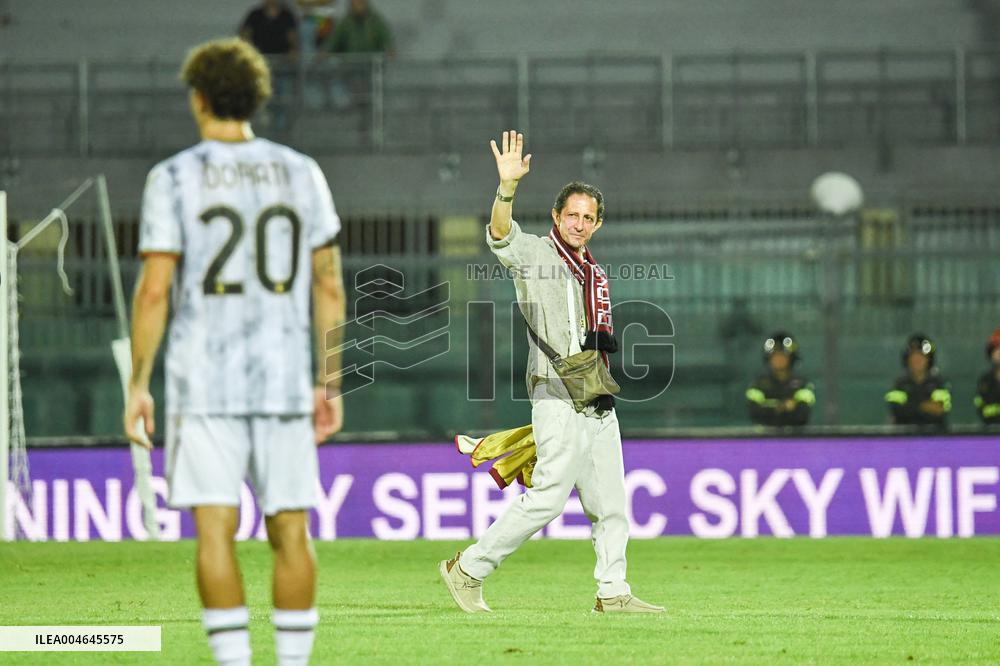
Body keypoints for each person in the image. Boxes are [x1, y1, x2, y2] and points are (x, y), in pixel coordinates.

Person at [123, 38, 346, 666]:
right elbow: (329, 284)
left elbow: (155, 290)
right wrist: (330, 383)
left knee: (215, 530)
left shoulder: (171, 177)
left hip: (204, 383)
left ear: (198, 100)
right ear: (256, 99)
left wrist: (139, 383)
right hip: (280, 379)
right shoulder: (302, 171)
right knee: (291, 531)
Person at [438, 130, 663, 615]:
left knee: (613, 506)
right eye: (572, 215)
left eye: (588, 217)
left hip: (597, 400)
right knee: (546, 500)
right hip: (556, 396)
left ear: (597, 224)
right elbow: (501, 234)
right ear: (556, 218)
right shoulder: (538, 255)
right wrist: (506, 189)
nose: (579, 224)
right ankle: (468, 568)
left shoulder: (594, 272)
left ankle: (613, 593)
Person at [745, 331, 815, 427]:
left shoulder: (802, 384)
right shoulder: (758, 384)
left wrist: (769, 406)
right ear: (768, 358)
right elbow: (756, 414)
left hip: (795, 439)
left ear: (791, 357)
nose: (778, 359)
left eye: (782, 355)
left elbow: (802, 415)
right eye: (775, 355)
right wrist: (786, 406)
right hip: (763, 439)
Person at [885, 333, 951, 427]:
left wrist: (911, 405)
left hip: (934, 437)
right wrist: (925, 406)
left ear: (929, 360)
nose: (917, 360)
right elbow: (897, 410)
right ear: (907, 359)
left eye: (921, 356)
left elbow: (939, 410)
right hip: (904, 438)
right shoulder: (899, 384)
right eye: (913, 356)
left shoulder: (939, 383)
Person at [324, 0, 393, 55]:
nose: (358, 6)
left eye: (360, 3)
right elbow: (334, 40)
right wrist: (325, 53)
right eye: (355, 3)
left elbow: (386, 37)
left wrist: (390, 49)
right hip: (350, 65)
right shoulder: (345, 23)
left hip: (372, 64)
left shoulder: (375, 22)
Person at [974, 327, 1000, 425]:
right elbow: (983, 411)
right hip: (990, 435)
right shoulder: (985, 381)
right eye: (996, 349)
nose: (999, 353)